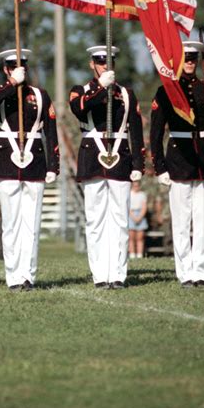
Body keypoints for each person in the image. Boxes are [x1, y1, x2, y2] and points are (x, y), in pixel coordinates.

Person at [150, 39, 204, 288]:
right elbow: (155, 133)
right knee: (181, 221)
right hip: (178, 158)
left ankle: (201, 272)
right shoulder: (166, 91)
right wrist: (159, 166)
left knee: (203, 219)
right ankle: (185, 272)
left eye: (194, 59)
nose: (191, 63)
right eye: (187, 59)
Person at [0, 48, 59, 291]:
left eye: (22, 65)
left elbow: (51, 131)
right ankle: (13, 276)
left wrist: (53, 165)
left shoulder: (40, 95)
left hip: (35, 161)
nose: (19, 69)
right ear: (6, 69)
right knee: (11, 224)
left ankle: (28, 275)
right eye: (14, 66)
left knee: (32, 225)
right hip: (7, 162)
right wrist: (12, 83)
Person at [69, 45, 145, 289]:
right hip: (92, 157)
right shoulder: (80, 91)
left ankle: (118, 274)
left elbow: (136, 129)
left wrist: (138, 163)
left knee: (120, 220)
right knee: (96, 220)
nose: (105, 65)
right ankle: (100, 274)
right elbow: (79, 109)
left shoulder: (126, 93)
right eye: (101, 61)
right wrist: (102, 88)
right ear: (92, 64)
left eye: (109, 61)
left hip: (120, 158)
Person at [128, 180, 148, 259]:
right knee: (131, 237)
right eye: (134, 186)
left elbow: (144, 206)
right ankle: (132, 254)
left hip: (140, 214)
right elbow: (128, 206)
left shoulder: (142, 195)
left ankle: (139, 254)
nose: (136, 187)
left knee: (140, 237)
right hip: (131, 214)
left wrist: (140, 216)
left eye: (137, 186)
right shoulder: (129, 194)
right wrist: (133, 217)